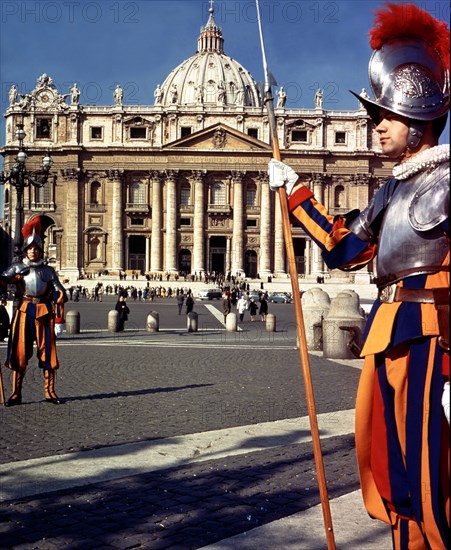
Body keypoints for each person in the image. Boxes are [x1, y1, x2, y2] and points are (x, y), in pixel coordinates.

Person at [268, 4, 449, 548]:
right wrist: (296, 193)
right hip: (388, 334)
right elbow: (347, 248)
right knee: (394, 473)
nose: (375, 126)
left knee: (431, 477)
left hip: (433, 339)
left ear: (417, 121)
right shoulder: (392, 188)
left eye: (384, 117)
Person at [0, 217, 68, 406]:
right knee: (19, 352)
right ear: (26, 250)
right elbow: (2, 280)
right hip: (24, 311)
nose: (32, 251)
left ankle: (50, 392)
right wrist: (9, 280)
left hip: (45, 313)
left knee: (48, 354)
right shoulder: (17, 268)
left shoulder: (48, 271)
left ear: (40, 250)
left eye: (35, 249)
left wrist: (58, 298)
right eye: (30, 249)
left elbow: (59, 290)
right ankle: (16, 393)